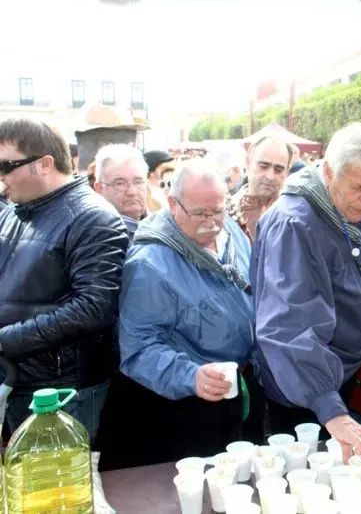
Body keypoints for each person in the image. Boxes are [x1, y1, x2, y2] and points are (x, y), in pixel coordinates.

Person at [252, 123, 361, 469]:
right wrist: (329, 407)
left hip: (343, 374)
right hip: (302, 386)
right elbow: (288, 324)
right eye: (359, 187)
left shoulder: (350, 205)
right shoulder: (295, 224)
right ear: (329, 171)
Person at [95, 160, 259, 470]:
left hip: (233, 391)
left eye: (218, 210)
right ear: (173, 204)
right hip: (180, 405)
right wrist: (190, 376)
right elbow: (139, 348)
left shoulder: (232, 231)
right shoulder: (149, 264)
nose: (211, 223)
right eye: (199, 213)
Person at [0, 119, 129, 441]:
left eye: (6, 166)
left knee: (62, 473)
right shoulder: (14, 211)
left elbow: (93, 309)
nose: (1, 176)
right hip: (19, 380)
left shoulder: (93, 217)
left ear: (45, 164)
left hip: (64, 391)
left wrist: (5, 340)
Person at [228, 136, 290, 242]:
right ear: (248, 163)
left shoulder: (294, 213)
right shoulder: (227, 212)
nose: (270, 176)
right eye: (263, 166)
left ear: (287, 172)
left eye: (278, 169)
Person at [93, 144, 149, 239]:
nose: (132, 192)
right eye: (120, 183)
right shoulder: (94, 237)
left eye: (138, 182)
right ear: (99, 189)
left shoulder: (164, 228)